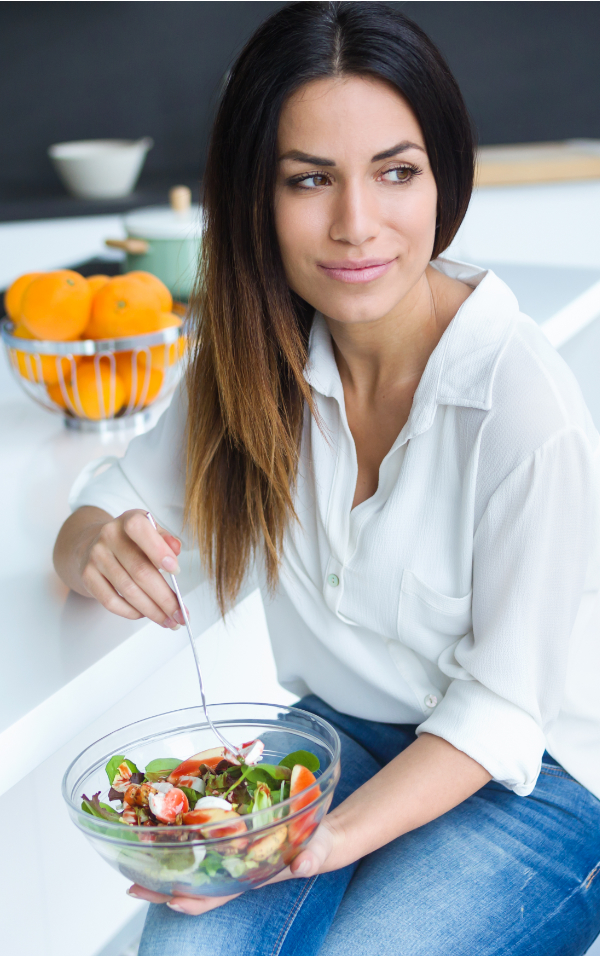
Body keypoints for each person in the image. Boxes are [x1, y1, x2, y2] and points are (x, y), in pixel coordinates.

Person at [54, 3, 600, 955]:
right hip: (341, 739)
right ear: (256, 196)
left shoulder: (522, 406)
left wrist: (325, 843)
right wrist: (93, 544)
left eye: (396, 172)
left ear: (443, 178)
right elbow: (109, 498)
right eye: (310, 179)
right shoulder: (249, 366)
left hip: (540, 780)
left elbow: (503, 712)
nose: (356, 225)